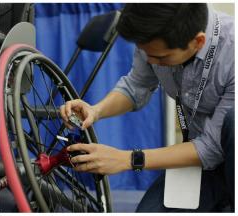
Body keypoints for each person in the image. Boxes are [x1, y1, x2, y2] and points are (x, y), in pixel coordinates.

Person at [60, 3, 234, 212]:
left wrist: (127, 159)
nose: (151, 61)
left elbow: (212, 148)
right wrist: (96, 111)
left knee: (234, 121)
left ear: (198, 42)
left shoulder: (232, 54)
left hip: (227, 153)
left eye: (160, 58)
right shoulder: (155, 38)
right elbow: (137, 85)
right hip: (200, 162)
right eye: (145, 53)